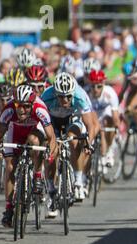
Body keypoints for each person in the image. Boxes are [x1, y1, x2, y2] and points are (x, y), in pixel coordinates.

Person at [0, 85, 57, 227]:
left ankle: (37, 174)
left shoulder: (40, 109)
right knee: (10, 167)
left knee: (35, 142)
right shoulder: (9, 109)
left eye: (26, 106)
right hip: (15, 133)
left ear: (32, 104)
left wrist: (50, 155)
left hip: (34, 131)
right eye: (18, 105)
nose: (21, 110)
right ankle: (9, 208)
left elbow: (51, 136)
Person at [41, 72, 99, 208]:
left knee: (74, 140)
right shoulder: (47, 96)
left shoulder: (79, 96)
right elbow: (41, 121)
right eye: (61, 97)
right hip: (52, 121)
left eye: (68, 96)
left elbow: (90, 125)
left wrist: (88, 144)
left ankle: (78, 180)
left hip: (72, 119)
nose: (65, 100)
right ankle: (50, 186)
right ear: (56, 94)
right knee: (52, 151)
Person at [86, 70, 120, 169]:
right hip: (92, 115)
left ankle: (109, 151)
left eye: (99, 86)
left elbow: (115, 116)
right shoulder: (86, 93)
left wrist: (116, 129)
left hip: (106, 113)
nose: (95, 89)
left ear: (103, 84)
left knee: (107, 122)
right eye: (93, 86)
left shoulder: (110, 93)